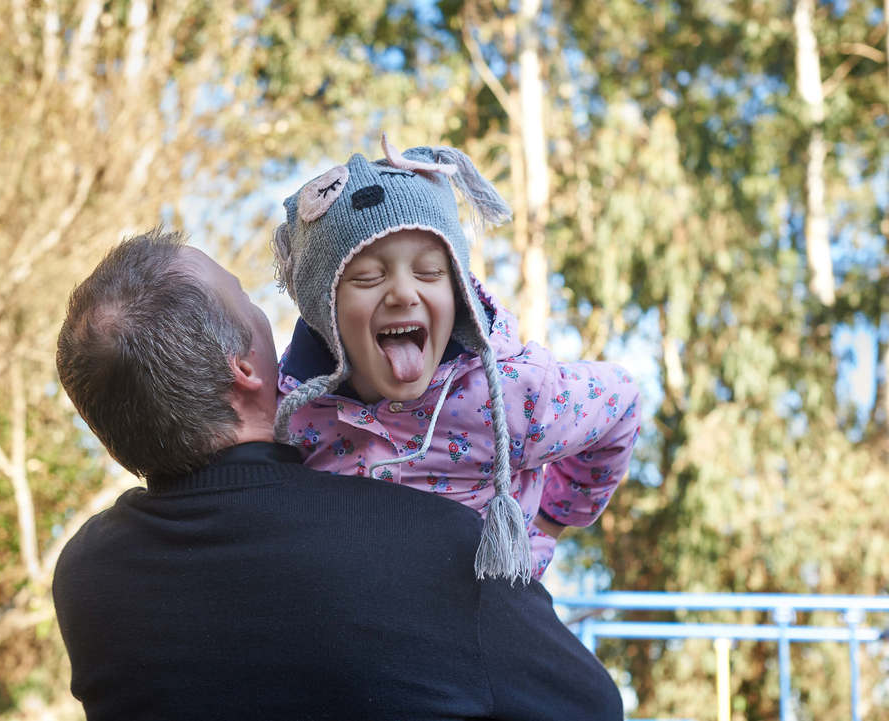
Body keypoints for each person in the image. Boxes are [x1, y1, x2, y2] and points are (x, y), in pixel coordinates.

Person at [52, 229, 624, 720]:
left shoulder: (85, 579)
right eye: (249, 300)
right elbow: (593, 707)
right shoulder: (430, 544)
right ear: (246, 370)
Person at [273, 135, 642, 581]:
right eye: (368, 276)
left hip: (481, 624)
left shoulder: (511, 395)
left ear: (458, 292)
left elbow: (621, 400)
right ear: (322, 310)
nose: (404, 293)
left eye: (430, 272)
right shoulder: (290, 412)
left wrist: (554, 519)